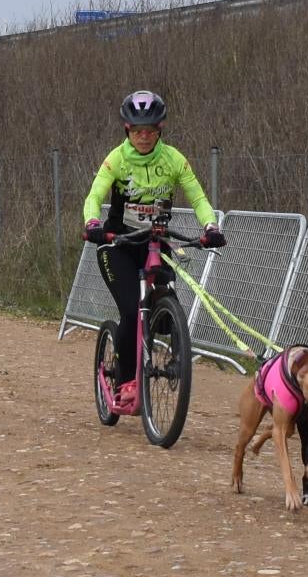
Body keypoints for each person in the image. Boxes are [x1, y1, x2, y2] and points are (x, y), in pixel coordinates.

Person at [79, 89, 226, 381]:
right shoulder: (117, 159)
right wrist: (92, 222)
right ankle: (123, 376)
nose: (143, 137)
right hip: (117, 245)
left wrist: (210, 226)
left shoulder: (173, 160)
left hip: (155, 244)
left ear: (159, 129)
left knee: (165, 308)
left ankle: (174, 364)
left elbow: (198, 199)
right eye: (137, 131)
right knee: (133, 312)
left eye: (149, 130)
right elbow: (94, 194)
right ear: (127, 129)